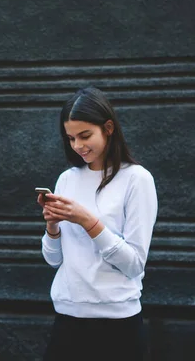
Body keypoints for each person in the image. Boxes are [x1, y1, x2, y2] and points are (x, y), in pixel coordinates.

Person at [37, 86, 158, 361]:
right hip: (68, 318)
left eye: (85, 135)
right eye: (70, 138)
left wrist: (87, 221)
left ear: (108, 128)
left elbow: (134, 264)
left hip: (117, 325)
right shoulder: (67, 179)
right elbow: (54, 261)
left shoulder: (137, 180)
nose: (78, 146)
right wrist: (52, 227)